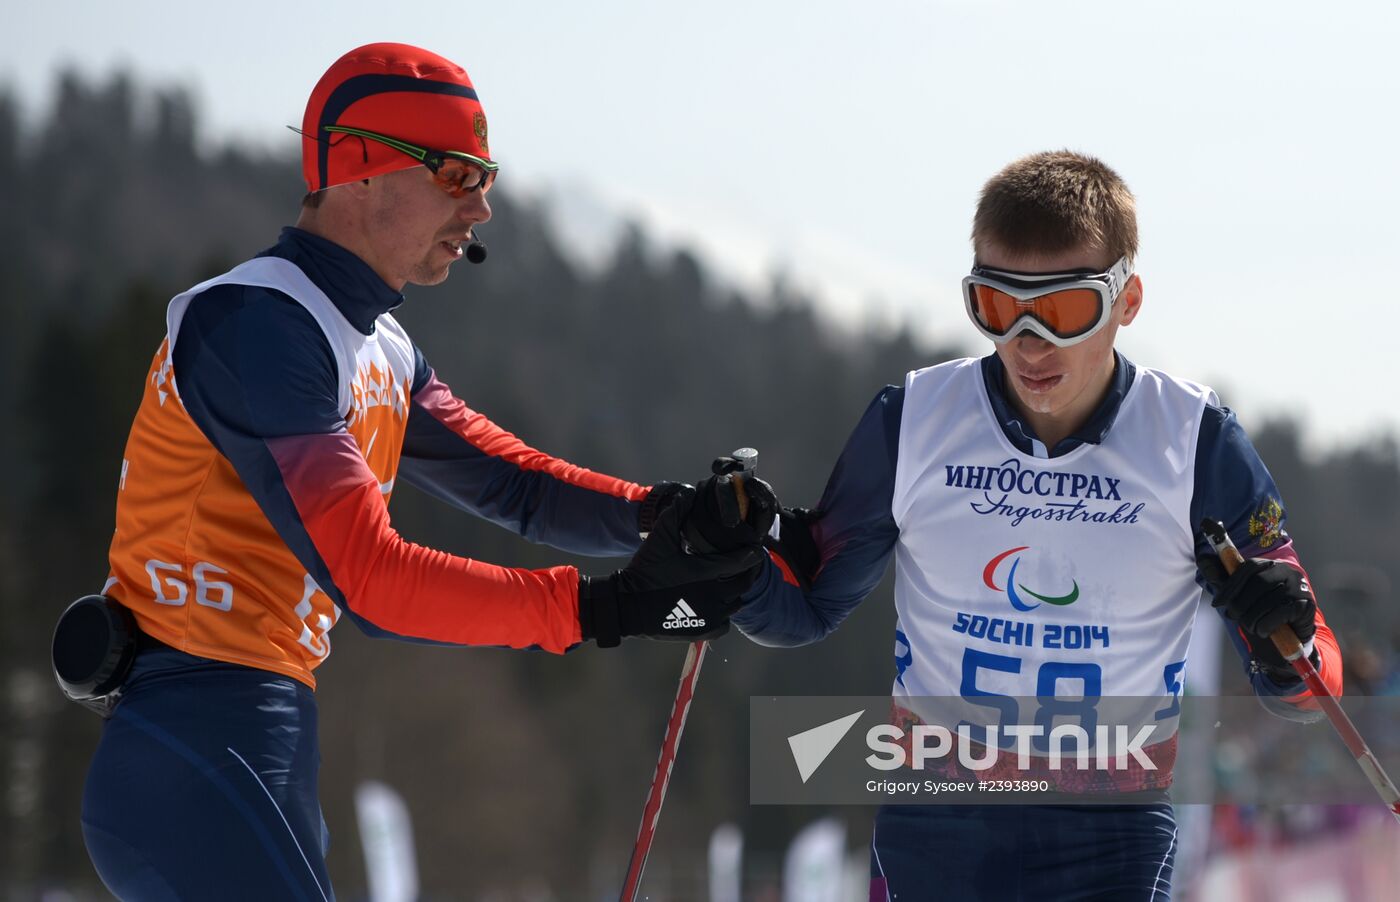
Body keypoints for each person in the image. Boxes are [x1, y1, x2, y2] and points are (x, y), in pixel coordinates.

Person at [72, 43, 773, 900]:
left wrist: (664, 514)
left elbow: (511, 482)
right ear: (359, 168)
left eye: (487, 176)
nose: (481, 207)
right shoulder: (259, 326)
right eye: (455, 173)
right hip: (191, 735)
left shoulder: (378, 342)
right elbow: (371, 577)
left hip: (255, 732)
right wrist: (600, 607)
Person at [732, 150, 1343, 900]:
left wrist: (1291, 642)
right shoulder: (916, 422)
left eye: (1061, 309)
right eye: (996, 304)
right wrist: (730, 565)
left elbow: (1311, 685)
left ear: (1127, 300)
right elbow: (806, 606)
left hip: (1107, 830)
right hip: (938, 821)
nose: (1028, 342)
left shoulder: (1191, 440)